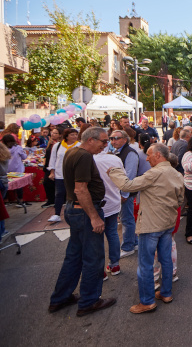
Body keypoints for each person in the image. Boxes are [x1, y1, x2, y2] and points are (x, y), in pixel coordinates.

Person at [107, 143, 184, 313]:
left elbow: (127, 186)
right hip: (167, 223)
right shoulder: (176, 173)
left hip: (151, 224)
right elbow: (180, 201)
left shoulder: (154, 173)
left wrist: (114, 172)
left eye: (149, 155)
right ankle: (166, 293)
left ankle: (147, 301)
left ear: (158, 155)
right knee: (165, 260)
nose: (147, 158)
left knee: (145, 264)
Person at [48, 127, 117, 317]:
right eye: (103, 141)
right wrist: (94, 216)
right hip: (83, 211)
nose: (106, 145)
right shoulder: (84, 156)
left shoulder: (73, 151)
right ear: (90, 140)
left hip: (75, 209)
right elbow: (81, 189)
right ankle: (89, 301)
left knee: (74, 256)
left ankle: (61, 298)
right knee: (93, 259)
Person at [94, 148, 124, 279]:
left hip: (97, 203)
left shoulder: (91, 159)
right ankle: (114, 264)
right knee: (112, 232)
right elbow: (123, 178)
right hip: (113, 200)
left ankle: (99, 269)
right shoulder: (115, 159)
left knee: (96, 237)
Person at [47, 128, 80, 221]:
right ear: (66, 136)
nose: (74, 136)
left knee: (75, 194)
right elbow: (53, 159)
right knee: (59, 193)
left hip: (74, 174)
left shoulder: (79, 145)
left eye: (76, 134)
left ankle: (75, 213)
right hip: (60, 174)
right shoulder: (58, 146)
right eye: (72, 134)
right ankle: (57, 214)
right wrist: (52, 172)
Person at [41, 127, 63, 209]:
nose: (53, 134)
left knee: (54, 183)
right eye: (52, 133)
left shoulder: (60, 144)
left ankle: (56, 200)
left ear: (60, 135)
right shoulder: (50, 143)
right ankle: (51, 200)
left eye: (55, 133)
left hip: (56, 166)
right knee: (47, 183)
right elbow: (47, 155)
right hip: (48, 165)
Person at [0, 143, 11, 238]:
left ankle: (2, 229)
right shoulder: (5, 155)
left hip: (1, 181)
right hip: (4, 180)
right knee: (1, 206)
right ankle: (2, 229)